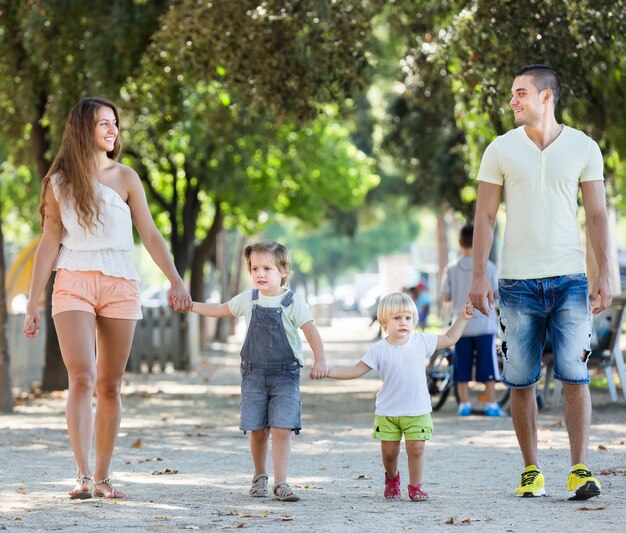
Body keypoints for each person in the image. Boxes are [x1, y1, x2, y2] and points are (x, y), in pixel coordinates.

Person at [22, 97, 191, 499]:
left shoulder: (127, 177)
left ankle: (102, 478)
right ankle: (81, 476)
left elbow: (149, 234)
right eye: (103, 123)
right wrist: (32, 302)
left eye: (114, 123)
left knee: (110, 385)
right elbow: (48, 244)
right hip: (73, 280)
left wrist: (175, 280)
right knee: (80, 378)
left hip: (121, 283)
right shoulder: (58, 183)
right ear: (84, 129)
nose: (112, 130)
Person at [469, 65, 611, 500]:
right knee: (520, 380)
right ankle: (531, 470)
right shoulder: (499, 149)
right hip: (515, 284)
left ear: (546, 96)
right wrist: (479, 273)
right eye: (512, 94)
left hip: (570, 279)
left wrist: (605, 272)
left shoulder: (584, 147)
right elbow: (486, 217)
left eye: (520, 93)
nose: (512, 101)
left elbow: (596, 215)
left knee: (575, 375)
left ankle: (579, 469)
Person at [189, 240, 327, 502]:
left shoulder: (292, 302)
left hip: (285, 376)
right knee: (257, 429)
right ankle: (259, 476)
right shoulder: (248, 299)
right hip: (253, 375)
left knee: (282, 428)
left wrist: (320, 360)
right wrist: (191, 306)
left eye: (267, 268)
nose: (260, 274)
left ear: (283, 271)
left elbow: (311, 331)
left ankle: (281, 482)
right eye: (254, 269)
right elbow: (220, 310)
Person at [326, 292, 474, 501]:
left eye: (408, 318)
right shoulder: (379, 349)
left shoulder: (421, 341)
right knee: (389, 453)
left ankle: (415, 487)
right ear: (384, 322)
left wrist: (463, 318)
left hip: (417, 410)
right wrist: (329, 372)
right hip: (388, 411)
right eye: (397, 318)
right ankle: (392, 478)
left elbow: (450, 338)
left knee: (416, 447)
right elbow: (356, 370)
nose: (403, 323)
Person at [441, 224, 505, 417]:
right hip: (484, 323)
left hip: (461, 327)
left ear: (460, 243)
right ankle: (491, 404)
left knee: (462, 365)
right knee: (488, 365)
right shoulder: (489, 267)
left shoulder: (452, 268)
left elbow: (446, 297)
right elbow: (495, 293)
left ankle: (464, 404)